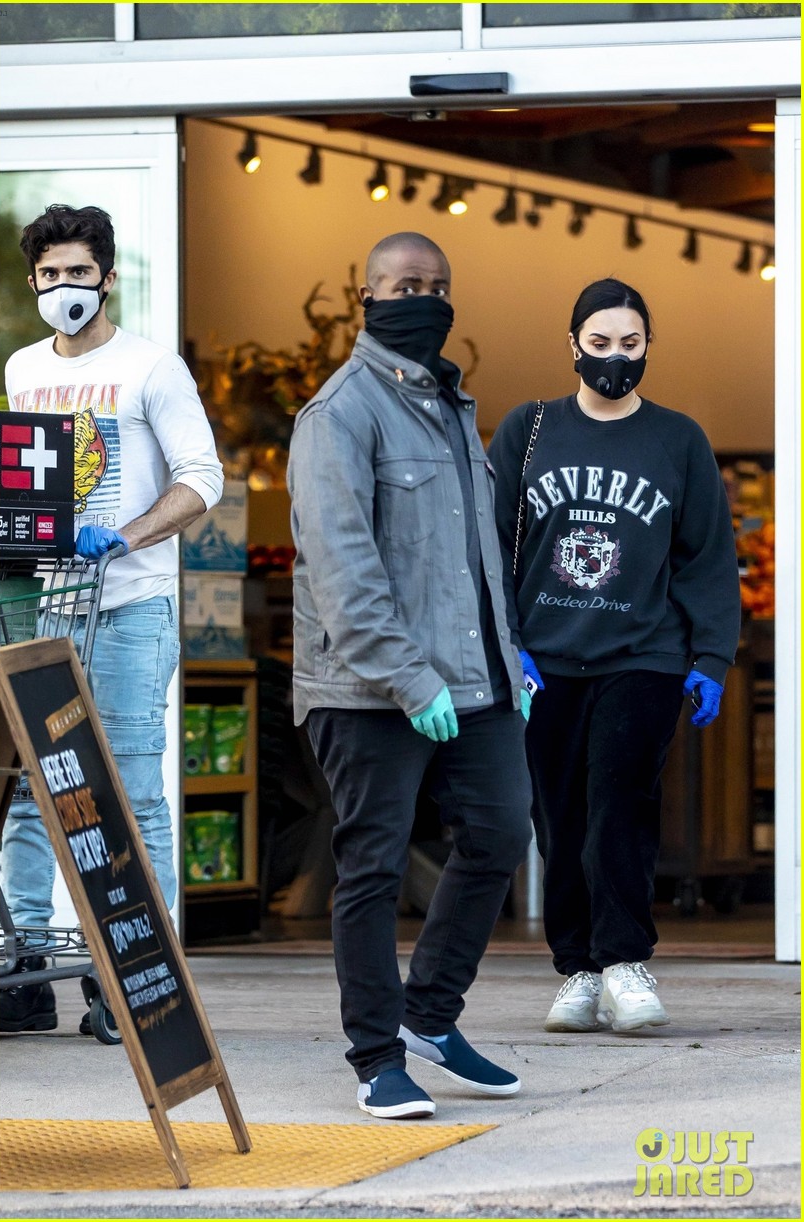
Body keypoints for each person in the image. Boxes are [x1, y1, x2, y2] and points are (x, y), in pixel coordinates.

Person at [287, 231, 533, 1119]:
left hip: (473, 683)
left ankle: (430, 1015)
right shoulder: (340, 413)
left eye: (435, 284)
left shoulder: (453, 407)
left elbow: (472, 563)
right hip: (362, 689)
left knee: (502, 833)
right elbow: (343, 571)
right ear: (367, 297)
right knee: (373, 867)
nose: (420, 297)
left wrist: (510, 660)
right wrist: (409, 678)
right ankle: (375, 1057)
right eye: (402, 285)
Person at [0, 204, 223, 1034]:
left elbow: (203, 479)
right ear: (33, 283)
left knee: (125, 791)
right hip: (38, 608)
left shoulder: (152, 369)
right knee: (23, 792)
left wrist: (120, 540)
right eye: (49, 276)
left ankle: (136, 980)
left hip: (127, 607)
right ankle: (22, 972)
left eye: (79, 273)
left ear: (109, 276)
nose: (64, 289)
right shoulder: (22, 369)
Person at [488, 277, 741, 1035]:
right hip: (547, 663)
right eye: (598, 345)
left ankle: (625, 961)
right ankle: (578, 969)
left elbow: (706, 556)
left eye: (629, 345)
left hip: (644, 656)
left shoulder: (678, 440)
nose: (614, 359)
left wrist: (710, 656)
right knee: (559, 817)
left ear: (646, 346)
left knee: (619, 810)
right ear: (571, 345)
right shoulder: (526, 429)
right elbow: (490, 548)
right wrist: (510, 645)